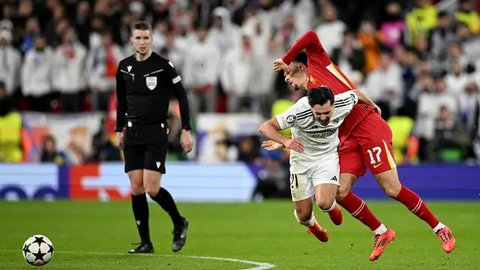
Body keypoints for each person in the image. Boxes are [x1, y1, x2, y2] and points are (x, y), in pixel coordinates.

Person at [270, 30, 456, 260]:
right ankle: (381, 232)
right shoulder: (312, 98)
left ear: (298, 67)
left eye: (286, 74)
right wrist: (285, 142)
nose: (286, 80)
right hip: (348, 138)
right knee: (340, 192)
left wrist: (286, 57)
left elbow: (310, 35)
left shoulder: (319, 62)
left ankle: (440, 228)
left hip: (368, 127)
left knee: (392, 189)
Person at [259, 86, 377, 244]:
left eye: (327, 113)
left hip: (326, 158)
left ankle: (331, 206)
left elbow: (357, 94)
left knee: (324, 202)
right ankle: (313, 225)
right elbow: (265, 127)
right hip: (301, 160)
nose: (323, 117)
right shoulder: (299, 111)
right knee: (303, 216)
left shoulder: (343, 102)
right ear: (310, 107)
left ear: (333, 104)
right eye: (318, 113)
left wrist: (374, 106)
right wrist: (286, 141)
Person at [115, 21, 193, 254]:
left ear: (152, 40)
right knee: (136, 187)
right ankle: (145, 243)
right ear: (131, 40)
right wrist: (119, 129)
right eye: (137, 38)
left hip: (156, 131)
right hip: (132, 132)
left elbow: (183, 97)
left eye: (145, 38)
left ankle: (179, 221)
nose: (141, 42)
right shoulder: (123, 67)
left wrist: (186, 130)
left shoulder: (163, 66)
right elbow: (121, 100)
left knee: (151, 187)